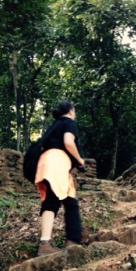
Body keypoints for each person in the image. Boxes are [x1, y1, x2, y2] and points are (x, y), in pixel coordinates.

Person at [35, 101, 85, 256]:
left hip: (45, 163)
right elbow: (68, 143)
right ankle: (68, 242)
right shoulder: (69, 122)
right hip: (57, 162)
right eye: (74, 110)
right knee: (58, 201)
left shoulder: (53, 126)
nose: (75, 113)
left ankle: (69, 240)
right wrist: (80, 160)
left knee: (66, 200)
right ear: (70, 111)